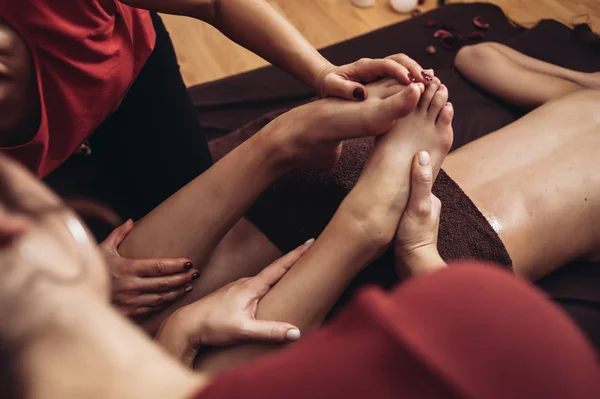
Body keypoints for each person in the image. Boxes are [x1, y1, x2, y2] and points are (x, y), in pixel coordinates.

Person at [0, 148, 598, 399]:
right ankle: (358, 225)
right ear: (12, 224)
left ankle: (340, 208)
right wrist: (420, 255)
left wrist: (181, 333)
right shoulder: (497, 337)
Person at [0, 0, 434, 316]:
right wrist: (76, 278)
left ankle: (286, 144)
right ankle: (289, 144)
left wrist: (323, 73)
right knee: (99, 308)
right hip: (32, 173)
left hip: (130, 79)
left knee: (188, 217)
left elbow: (215, 2)